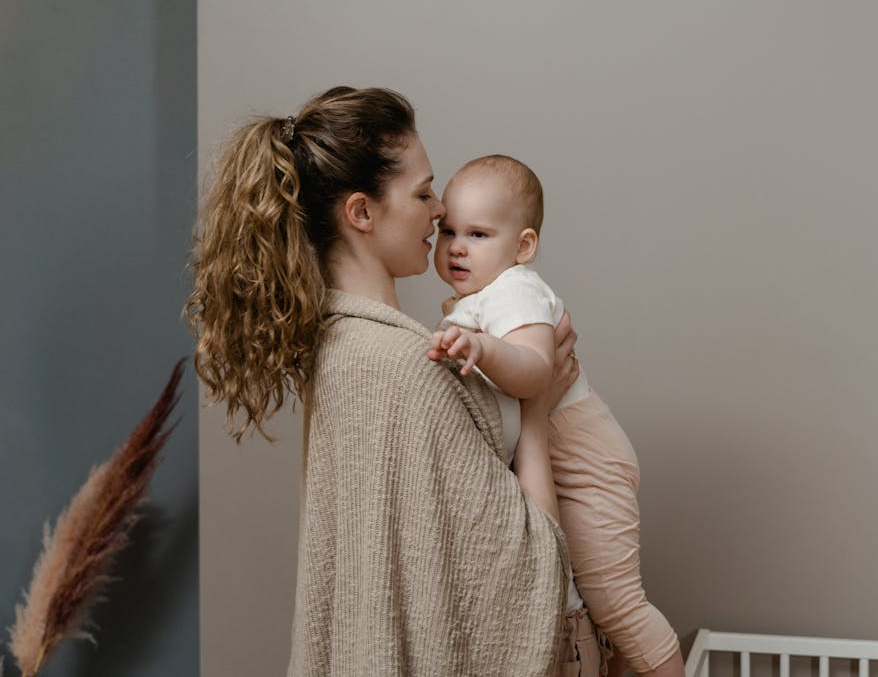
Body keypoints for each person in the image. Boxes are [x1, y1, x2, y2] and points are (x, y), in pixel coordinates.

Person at [186, 87, 604, 676]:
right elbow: (530, 565)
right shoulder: (404, 367)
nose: (440, 211)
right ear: (361, 213)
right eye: (423, 192)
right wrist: (536, 408)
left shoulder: (343, 349)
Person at [426, 155, 686, 677]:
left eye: (478, 234)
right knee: (593, 606)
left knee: (616, 604)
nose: (456, 246)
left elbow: (535, 373)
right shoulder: (476, 299)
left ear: (523, 246)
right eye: (447, 230)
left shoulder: (514, 289)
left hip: (588, 467)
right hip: (561, 463)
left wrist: (479, 345)